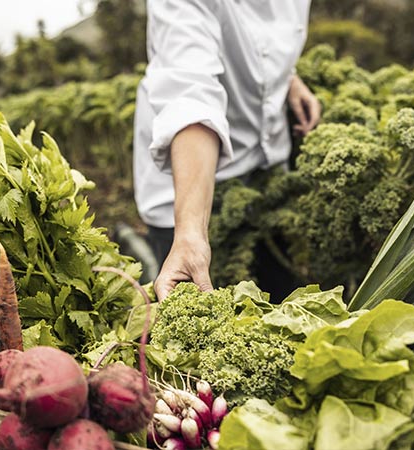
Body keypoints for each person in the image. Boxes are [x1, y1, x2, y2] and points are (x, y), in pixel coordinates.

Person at [133, 0, 322, 300]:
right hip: (188, 182)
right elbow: (191, 96)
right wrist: (191, 233)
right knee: (204, 318)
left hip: (265, 165)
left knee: (280, 293)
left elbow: (261, 38)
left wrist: (288, 78)